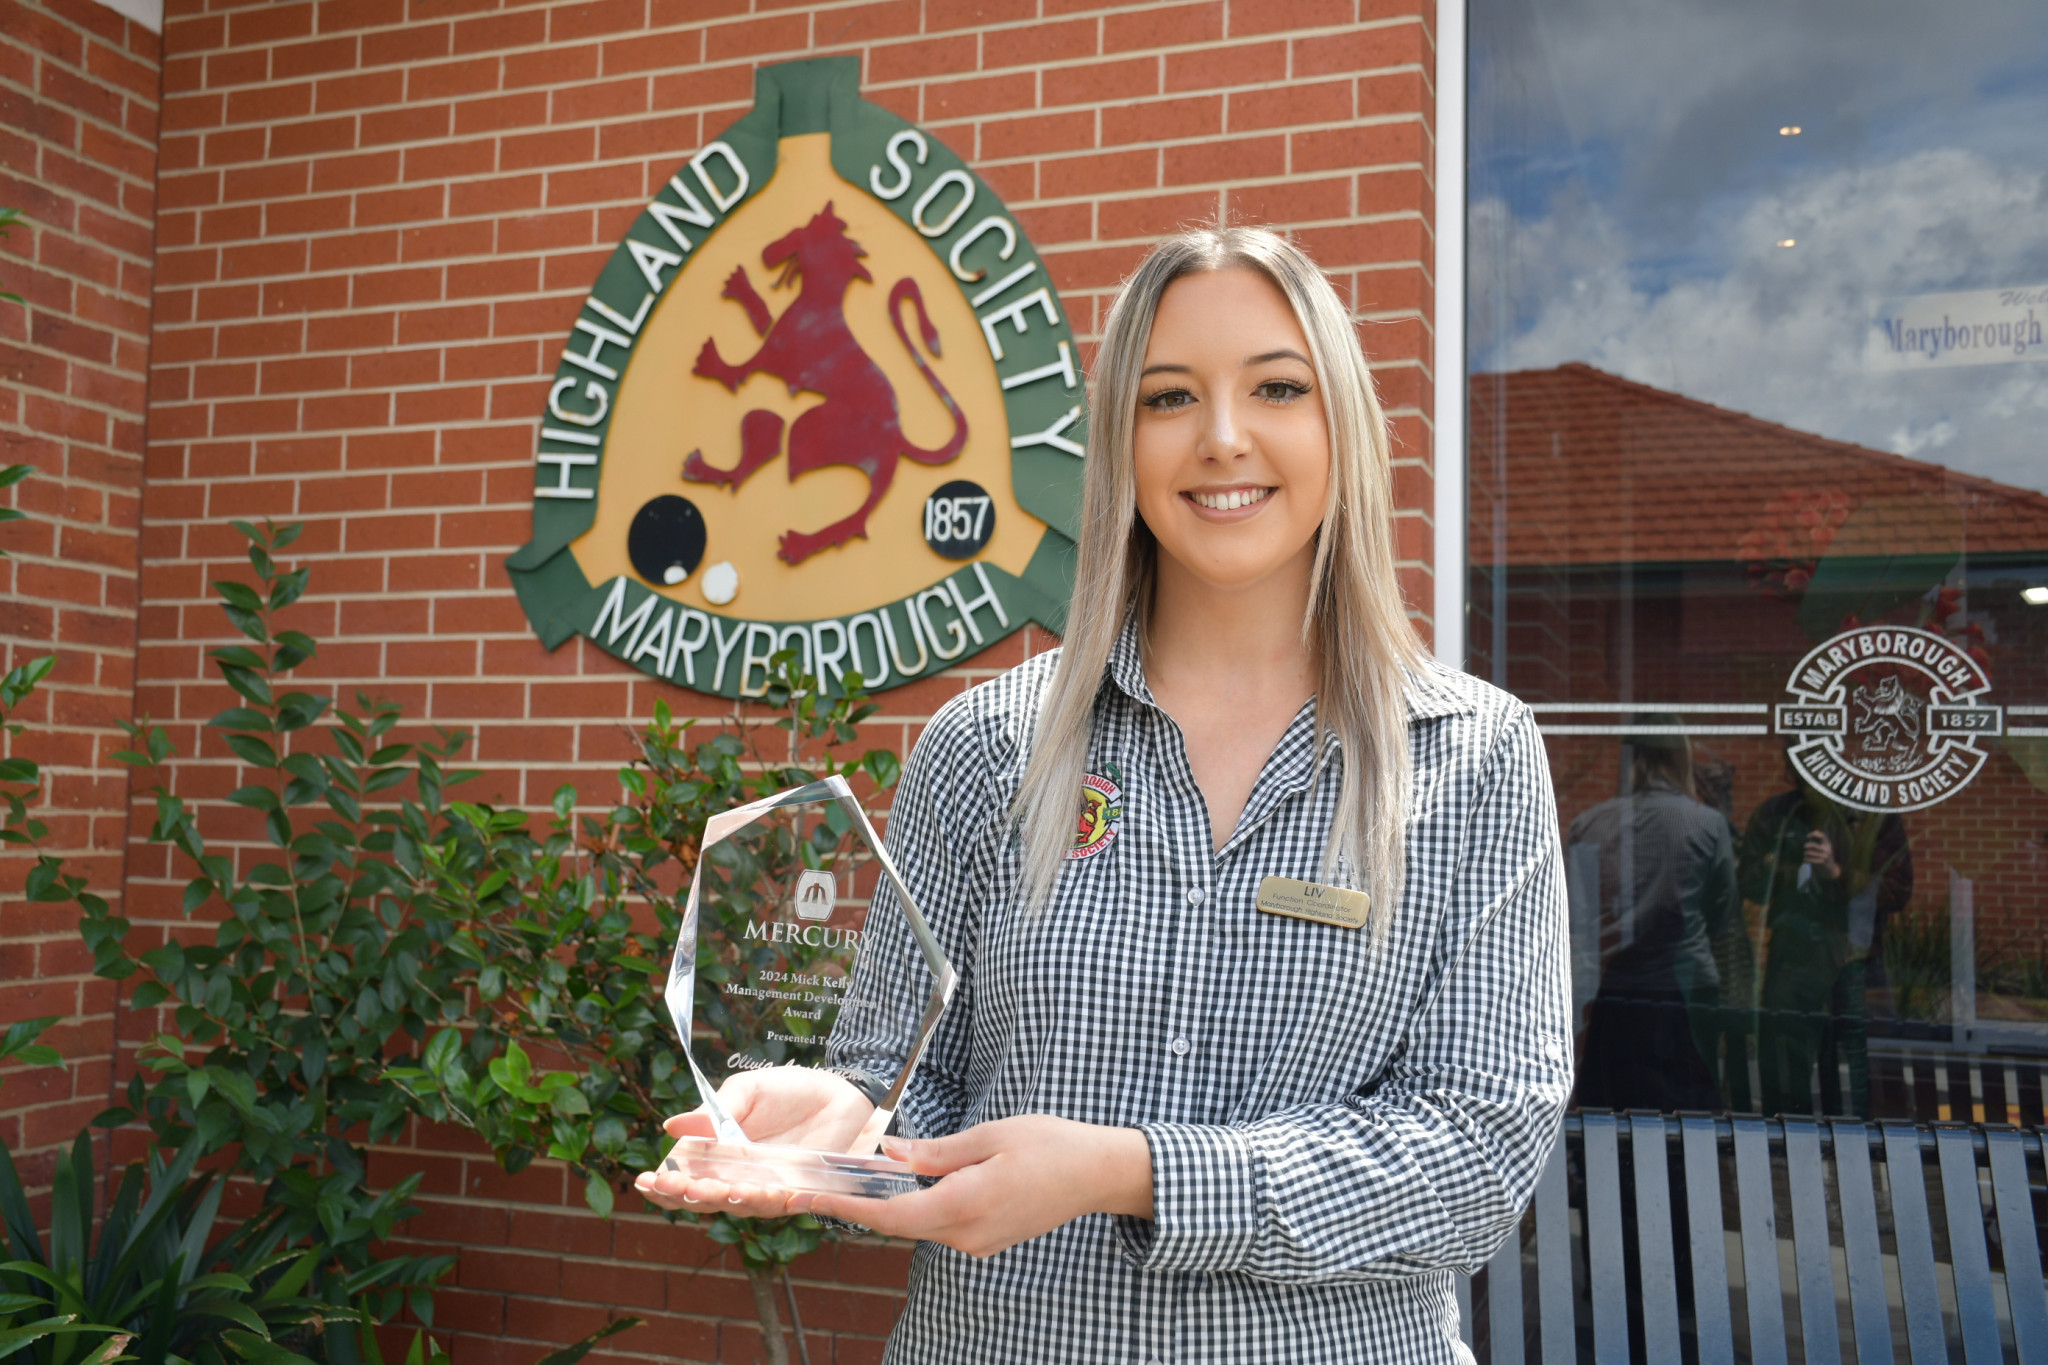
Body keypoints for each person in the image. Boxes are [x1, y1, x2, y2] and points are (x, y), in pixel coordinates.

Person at [636, 226, 1572, 1364]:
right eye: (1167, 397)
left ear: (1341, 425)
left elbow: (1476, 1156)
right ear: (1119, 442)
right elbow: (894, 1073)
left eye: (1276, 386)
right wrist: (844, 1123)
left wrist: (1128, 1174)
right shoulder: (982, 745)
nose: (1222, 439)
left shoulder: (1471, 756)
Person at [1567, 724, 1744, 1113]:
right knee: (1688, 1119)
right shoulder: (1707, 823)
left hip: (1612, 991)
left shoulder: (1589, 823)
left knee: (1611, 1113)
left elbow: (1575, 920)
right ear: (1682, 760)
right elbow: (1723, 915)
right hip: (1685, 990)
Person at [1739, 754, 1913, 1117]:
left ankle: (1855, 1143)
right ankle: (1787, 1140)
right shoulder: (1779, 814)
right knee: (1784, 1061)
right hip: (1794, 951)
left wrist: (1837, 871)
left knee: (1852, 1060)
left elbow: (1897, 890)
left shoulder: (1871, 814)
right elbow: (1749, 882)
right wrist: (1779, 863)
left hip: (1852, 955)